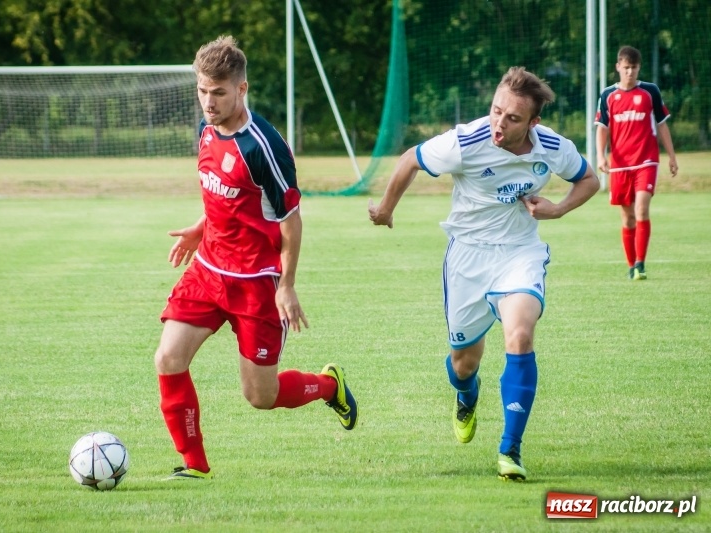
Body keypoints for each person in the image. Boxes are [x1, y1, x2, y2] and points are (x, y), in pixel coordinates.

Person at [368, 67, 599, 481]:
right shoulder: (466, 141)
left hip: (519, 253)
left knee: (520, 335)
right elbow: (410, 160)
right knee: (464, 365)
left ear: (533, 123)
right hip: (468, 259)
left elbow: (588, 179)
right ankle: (465, 396)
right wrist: (386, 209)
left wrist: (558, 208)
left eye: (512, 118)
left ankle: (510, 450)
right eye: (496, 111)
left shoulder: (551, 147)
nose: (499, 123)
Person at [154, 35, 358, 480]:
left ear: (241, 89)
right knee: (168, 358)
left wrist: (286, 285)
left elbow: (290, 221)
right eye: (203, 91)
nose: (209, 101)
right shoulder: (206, 129)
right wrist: (198, 229)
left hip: (256, 283)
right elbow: (224, 199)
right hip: (208, 270)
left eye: (219, 92)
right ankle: (195, 466)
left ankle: (329, 386)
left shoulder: (263, 147)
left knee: (260, 397)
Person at [595, 45, 678, 281]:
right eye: (626, 67)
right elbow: (602, 128)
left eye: (634, 68)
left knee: (642, 208)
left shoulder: (650, 92)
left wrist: (671, 156)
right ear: (618, 67)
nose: (630, 72)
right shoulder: (607, 95)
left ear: (639, 68)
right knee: (627, 216)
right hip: (620, 165)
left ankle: (641, 264)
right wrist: (601, 156)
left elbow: (661, 125)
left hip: (646, 161)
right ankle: (631, 265)